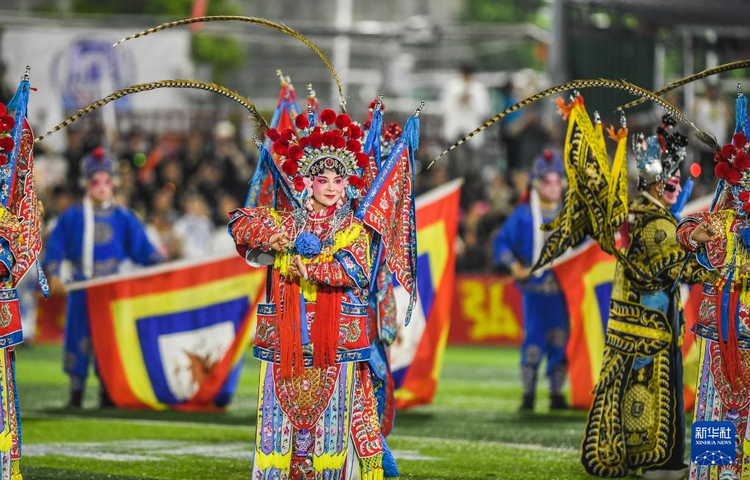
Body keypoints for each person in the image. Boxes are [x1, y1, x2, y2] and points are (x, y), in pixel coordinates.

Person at [533, 96, 708, 477]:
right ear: (655, 183)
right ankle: (655, 462)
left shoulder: (650, 215)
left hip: (643, 327)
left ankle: (642, 459)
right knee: (649, 396)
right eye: (670, 182)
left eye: (678, 182)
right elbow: (678, 266)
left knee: (635, 394)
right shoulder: (654, 222)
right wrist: (715, 252)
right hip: (647, 331)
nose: (675, 188)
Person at [228, 108, 395, 479]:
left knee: (354, 427)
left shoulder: (353, 228)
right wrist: (270, 238)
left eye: (339, 179)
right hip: (288, 340)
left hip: (335, 342)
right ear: (307, 182)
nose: (332, 187)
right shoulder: (286, 222)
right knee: (286, 432)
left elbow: (355, 270)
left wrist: (312, 267)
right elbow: (238, 222)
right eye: (323, 179)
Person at [43, 147, 163, 408]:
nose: (101, 186)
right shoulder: (72, 217)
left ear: (114, 183)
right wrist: (53, 274)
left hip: (111, 291)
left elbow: (143, 250)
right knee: (78, 337)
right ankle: (76, 393)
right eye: (95, 181)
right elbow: (55, 248)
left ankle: (107, 393)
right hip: (81, 287)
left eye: (106, 181)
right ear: (86, 183)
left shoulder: (124, 218)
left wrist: (161, 266)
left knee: (108, 343)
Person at [677, 89, 750, 479]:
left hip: (735, 327)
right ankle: (711, 474)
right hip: (721, 329)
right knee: (714, 404)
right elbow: (686, 228)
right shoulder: (719, 220)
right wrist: (697, 235)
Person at [492, 149, 569, 411]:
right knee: (534, 340)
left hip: (563, 291)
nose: (553, 187)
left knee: (561, 339)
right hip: (535, 290)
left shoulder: (570, 216)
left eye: (557, 181)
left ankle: (557, 394)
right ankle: (528, 394)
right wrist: (514, 265)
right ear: (537, 183)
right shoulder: (524, 215)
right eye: (548, 181)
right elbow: (501, 243)